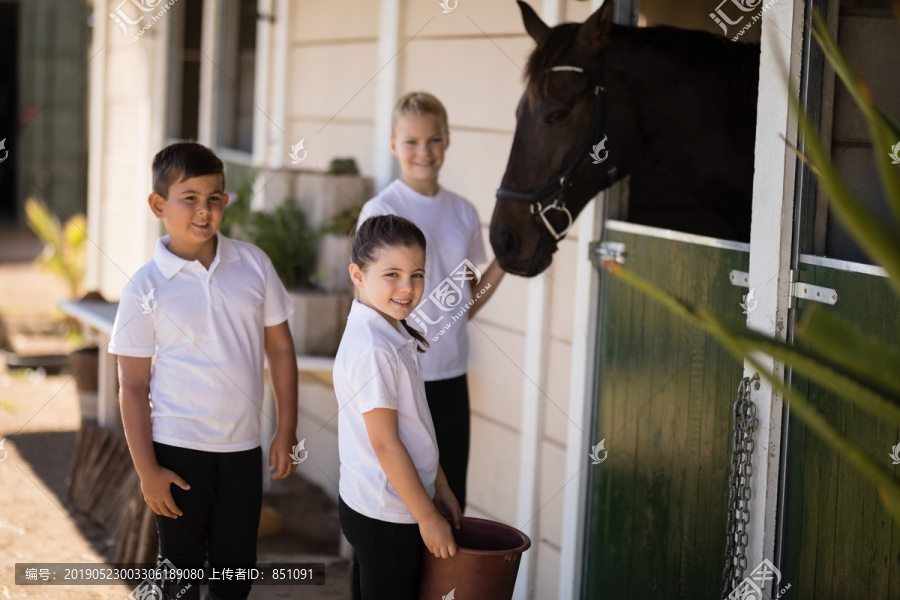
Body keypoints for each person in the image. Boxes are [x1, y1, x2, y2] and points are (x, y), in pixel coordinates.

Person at [109, 142, 299, 600]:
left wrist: (286, 428)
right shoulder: (144, 287)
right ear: (159, 205)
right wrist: (147, 470)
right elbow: (131, 386)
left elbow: (281, 348)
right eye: (188, 197)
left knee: (237, 574)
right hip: (177, 450)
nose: (203, 210)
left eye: (214, 198)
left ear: (225, 202)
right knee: (179, 575)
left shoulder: (253, 265)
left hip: (240, 448)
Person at [357, 91, 505, 512]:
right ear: (393, 144)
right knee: (396, 501)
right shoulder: (381, 210)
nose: (424, 151)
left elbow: (467, 301)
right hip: (401, 377)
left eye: (434, 139)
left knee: (450, 498)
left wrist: (506, 263)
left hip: (450, 375)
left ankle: (444, 582)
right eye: (411, 141)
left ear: (447, 140)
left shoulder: (463, 211)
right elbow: (367, 304)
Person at [336, 214, 462, 600]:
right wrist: (427, 518)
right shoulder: (374, 348)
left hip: (386, 503)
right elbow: (386, 444)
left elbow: (414, 427)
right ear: (358, 275)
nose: (407, 288)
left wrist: (439, 486)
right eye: (391, 274)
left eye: (417, 274)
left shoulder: (388, 330)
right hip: (388, 513)